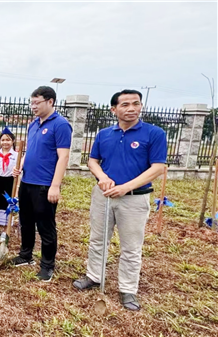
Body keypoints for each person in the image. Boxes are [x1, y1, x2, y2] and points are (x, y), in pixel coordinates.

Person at [73, 89, 167, 311]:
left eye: (136, 103)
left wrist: (126, 187)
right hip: (104, 196)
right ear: (114, 109)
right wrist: (102, 177)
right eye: (125, 105)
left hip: (134, 199)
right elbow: (93, 161)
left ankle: (127, 289)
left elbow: (158, 167)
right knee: (98, 239)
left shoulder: (154, 133)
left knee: (131, 247)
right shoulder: (104, 134)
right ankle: (94, 275)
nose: (131, 108)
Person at [10, 86, 72, 283]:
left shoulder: (61, 125)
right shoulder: (33, 124)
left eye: (37, 103)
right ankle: (25, 255)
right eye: (32, 102)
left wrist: (55, 185)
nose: (33, 106)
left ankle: (47, 266)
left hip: (45, 185)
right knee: (26, 222)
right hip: (27, 182)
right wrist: (20, 166)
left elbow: (63, 157)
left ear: (50, 102)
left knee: (45, 226)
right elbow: (30, 151)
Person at [0, 127, 19, 242]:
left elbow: (17, 174)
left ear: (13, 141)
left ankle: (6, 230)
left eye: (8, 140)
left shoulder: (16, 156)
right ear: (0, 141)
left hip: (10, 182)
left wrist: (16, 191)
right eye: (3, 140)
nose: (5, 142)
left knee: (8, 205)